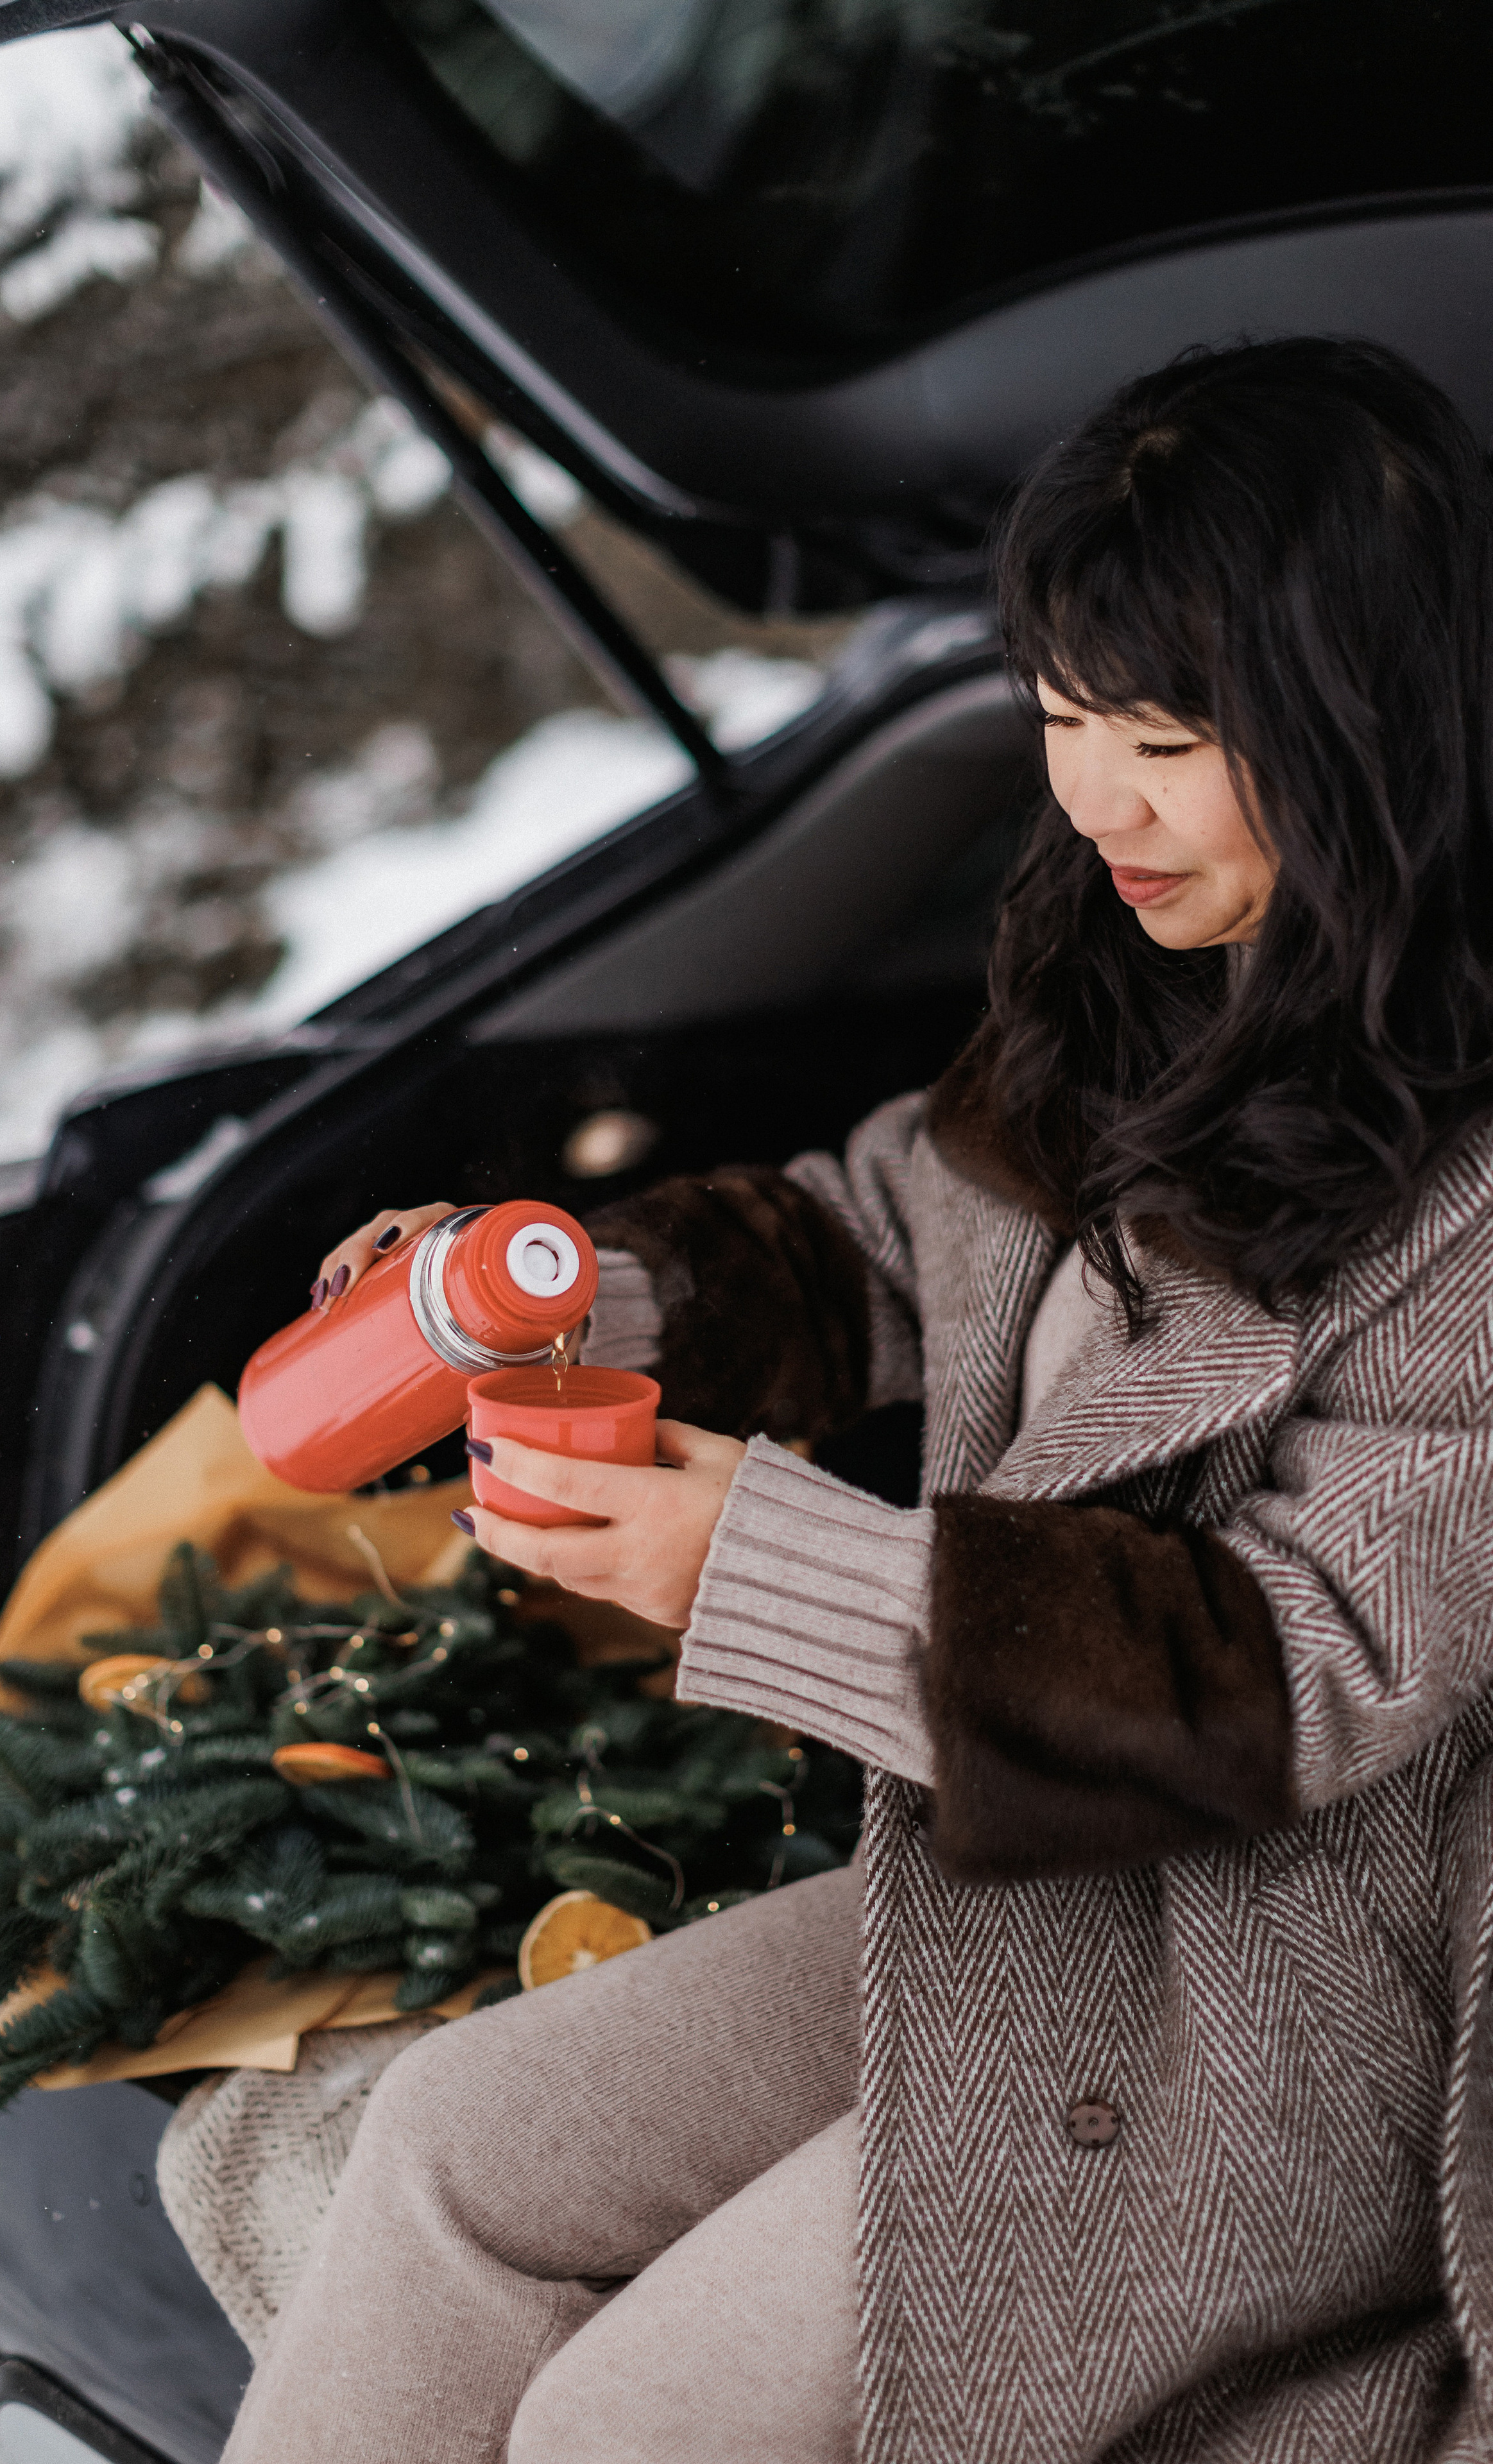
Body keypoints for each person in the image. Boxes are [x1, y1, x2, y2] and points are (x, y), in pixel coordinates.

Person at [222, 338, 1493, 2464]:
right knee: (444, 2156)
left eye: (1165, 737)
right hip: (1032, 1893)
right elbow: (885, 1242)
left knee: (630, 2420)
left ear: (1362, 732)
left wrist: (769, 1568)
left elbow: (1294, 1673)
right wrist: (579, 1304)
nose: (1094, 802)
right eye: (1065, 718)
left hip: (1273, 2014)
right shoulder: (1132, 984)